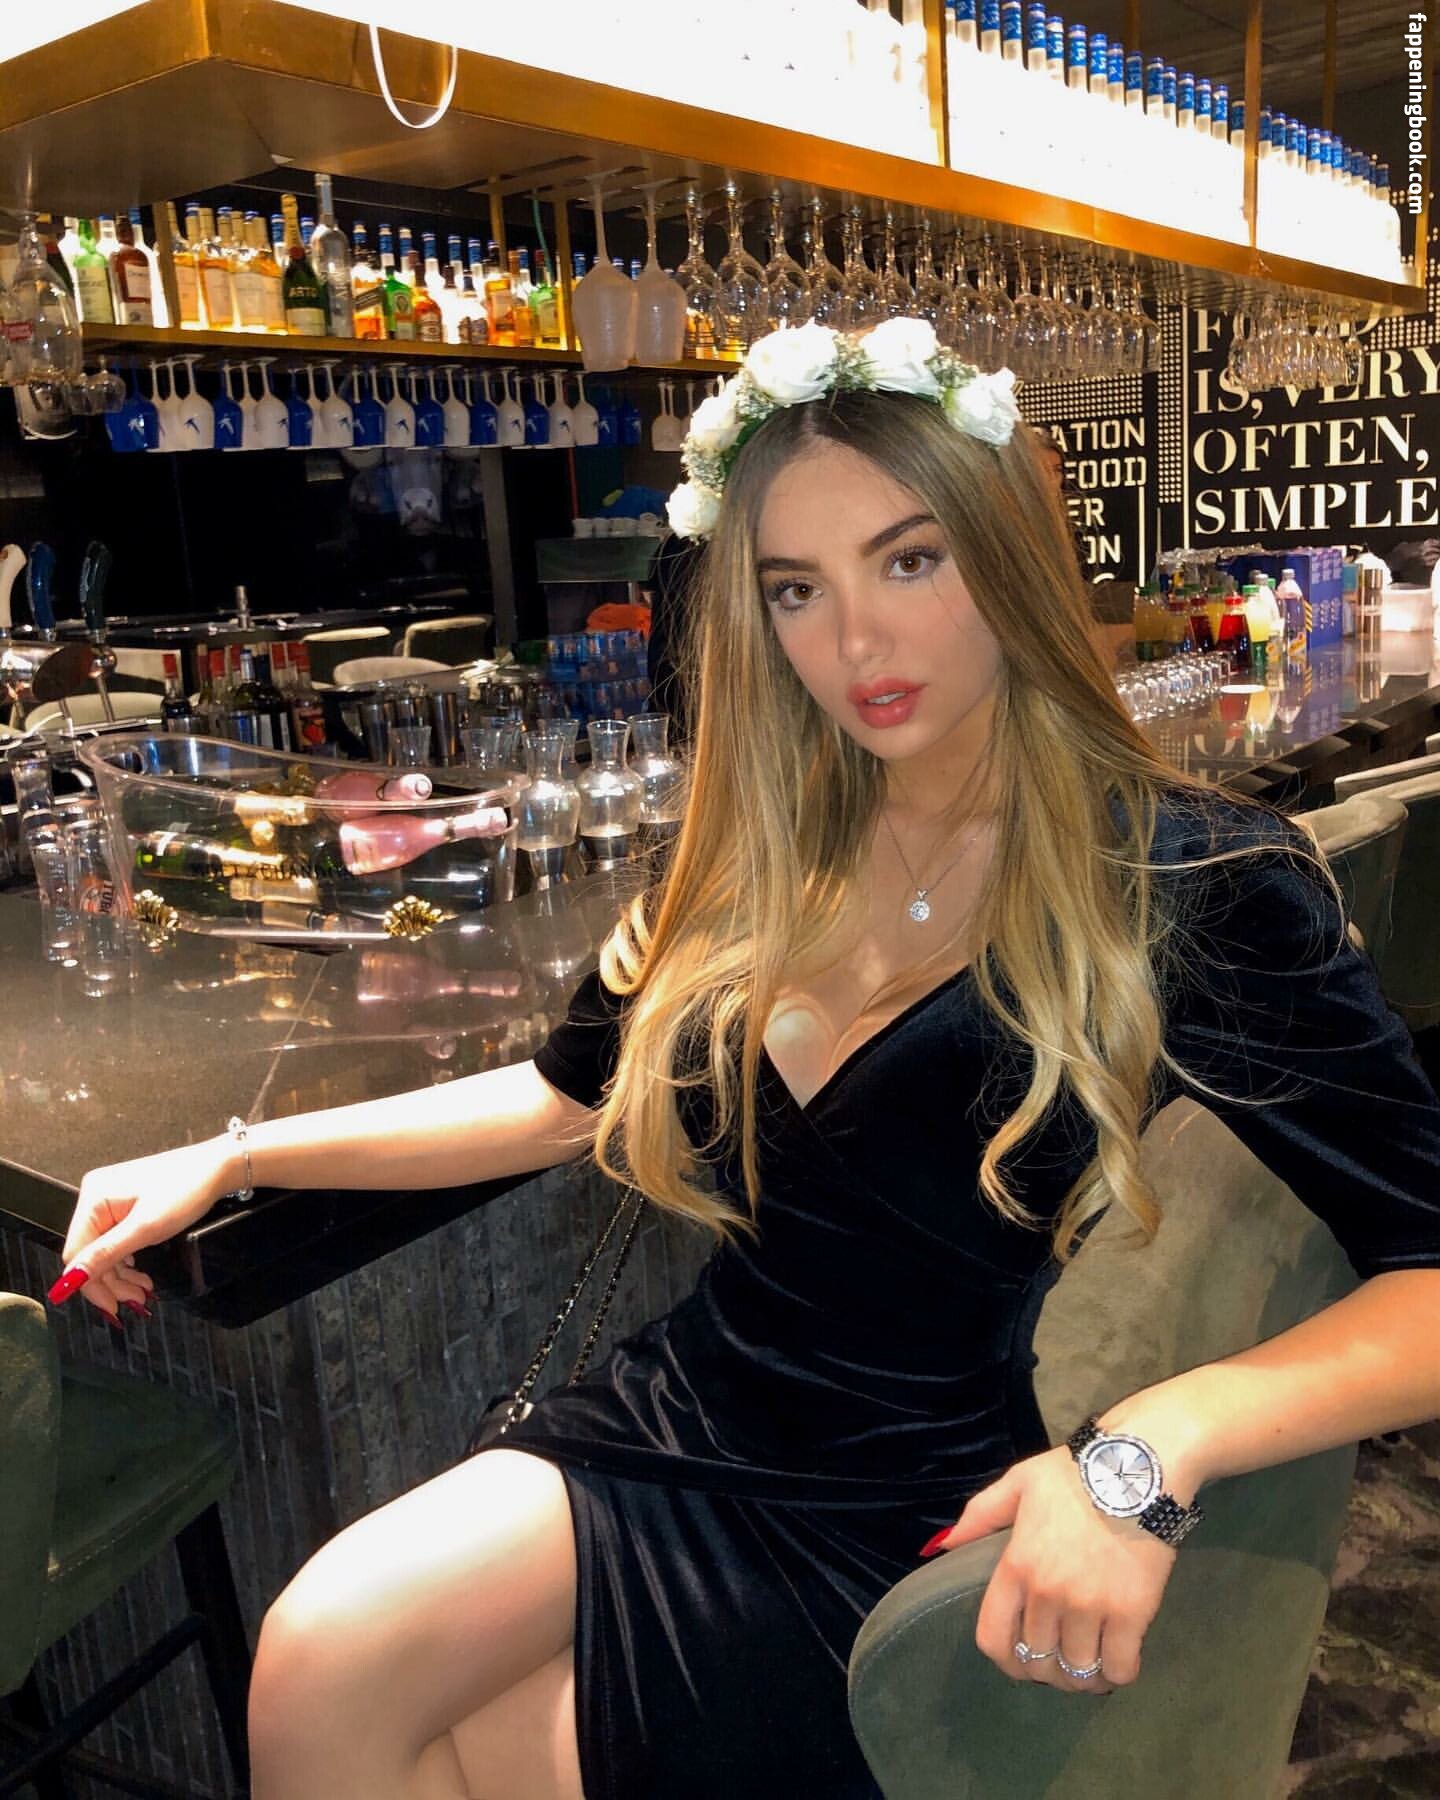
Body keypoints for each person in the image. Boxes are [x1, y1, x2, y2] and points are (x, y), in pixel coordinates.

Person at [51, 316, 1440, 1800]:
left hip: (893, 1494)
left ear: (1007, 557)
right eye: (797, 588)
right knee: (318, 1651)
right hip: (687, 1402)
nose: (856, 644)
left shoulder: (1188, 878)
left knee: (449, 1745)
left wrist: (1160, 1439)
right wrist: (240, 1154)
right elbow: (561, 1098)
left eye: (910, 561)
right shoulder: (756, 843)